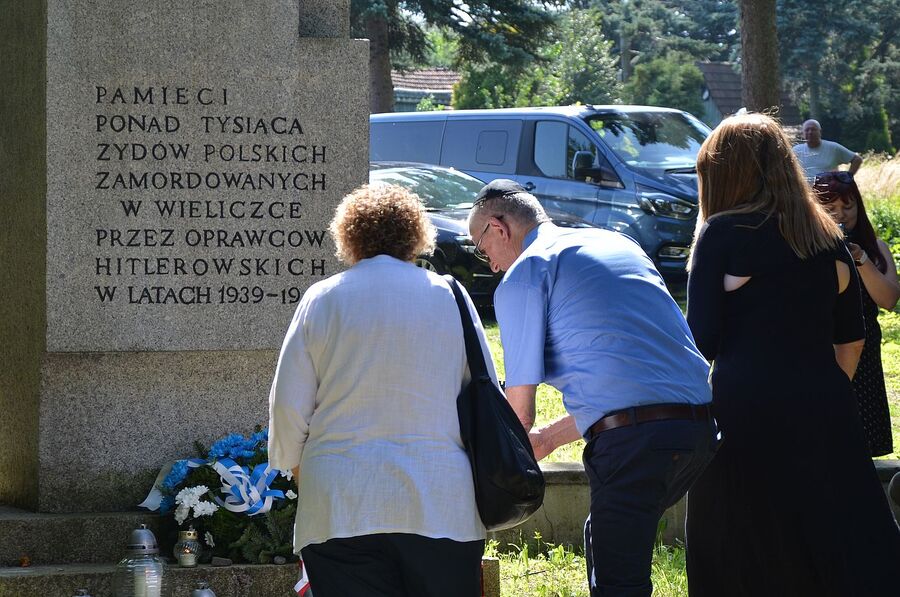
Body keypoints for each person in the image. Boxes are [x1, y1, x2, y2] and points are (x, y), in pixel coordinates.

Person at [467, 180, 719, 597]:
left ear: (499, 227)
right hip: (699, 431)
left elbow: (519, 414)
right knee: (604, 542)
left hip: (635, 442)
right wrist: (548, 439)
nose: (491, 265)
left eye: (481, 248)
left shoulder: (526, 272)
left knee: (618, 582)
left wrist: (482, 474)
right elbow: (627, 388)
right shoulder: (617, 243)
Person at [686, 113, 900, 596]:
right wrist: (819, 394)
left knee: (741, 540)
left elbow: (701, 341)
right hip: (826, 402)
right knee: (838, 534)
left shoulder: (721, 233)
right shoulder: (830, 239)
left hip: (744, 407)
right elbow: (852, 339)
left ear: (723, 174)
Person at [268, 184, 494, 597]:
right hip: (440, 502)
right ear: (416, 235)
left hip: (341, 503)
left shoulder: (321, 298)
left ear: (348, 236)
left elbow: (287, 407)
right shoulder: (451, 296)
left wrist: (301, 472)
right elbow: (486, 392)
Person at [815, 170, 899, 456]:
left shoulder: (877, 249)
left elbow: (888, 299)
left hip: (866, 350)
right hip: (825, 352)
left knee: (864, 439)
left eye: (848, 207)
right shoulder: (806, 252)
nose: (841, 215)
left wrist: (860, 257)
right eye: (830, 208)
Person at [792, 119, 863, 180]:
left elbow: (857, 160)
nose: (810, 132)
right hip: (804, 191)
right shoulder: (796, 150)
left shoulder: (833, 148)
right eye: (807, 130)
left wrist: (847, 178)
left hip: (830, 190)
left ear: (820, 132)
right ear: (803, 133)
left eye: (813, 129)